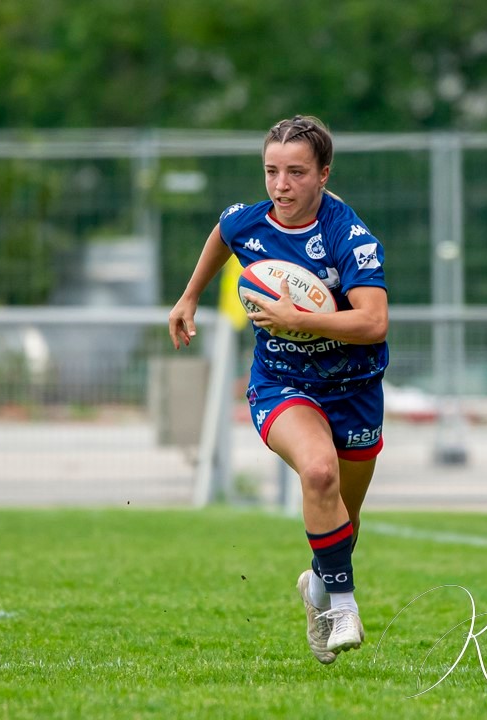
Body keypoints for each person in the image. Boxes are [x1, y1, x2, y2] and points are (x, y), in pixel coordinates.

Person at [167, 115, 389, 665]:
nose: (281, 185)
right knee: (318, 473)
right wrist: (190, 295)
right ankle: (342, 606)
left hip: (355, 388)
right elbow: (223, 234)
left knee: (342, 516)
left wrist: (302, 318)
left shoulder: (349, 237)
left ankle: (316, 589)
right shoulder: (250, 222)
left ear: (323, 174)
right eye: (271, 171)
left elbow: (373, 322)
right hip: (282, 383)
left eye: (295, 172)